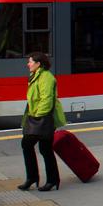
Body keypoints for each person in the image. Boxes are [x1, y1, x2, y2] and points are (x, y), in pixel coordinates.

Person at [18, 52, 67, 192]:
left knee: (40, 148)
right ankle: (38, 178)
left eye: (30, 61)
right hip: (36, 118)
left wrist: (38, 115)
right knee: (40, 148)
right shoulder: (36, 75)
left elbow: (47, 99)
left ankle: (47, 179)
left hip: (43, 119)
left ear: (38, 64)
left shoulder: (46, 77)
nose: (28, 64)